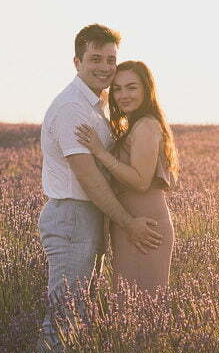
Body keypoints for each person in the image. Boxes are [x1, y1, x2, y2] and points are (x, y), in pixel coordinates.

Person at [38, 25, 162, 352]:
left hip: (89, 217)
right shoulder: (72, 109)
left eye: (110, 59)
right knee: (65, 316)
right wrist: (127, 222)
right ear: (77, 61)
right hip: (72, 217)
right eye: (95, 58)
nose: (105, 67)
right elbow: (89, 178)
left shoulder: (98, 104)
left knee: (80, 314)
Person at [75, 60, 179, 294]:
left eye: (132, 87)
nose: (123, 95)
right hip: (133, 227)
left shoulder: (145, 126)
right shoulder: (132, 125)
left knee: (141, 308)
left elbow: (141, 181)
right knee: (130, 307)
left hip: (147, 229)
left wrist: (100, 152)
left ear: (146, 89)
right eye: (118, 89)